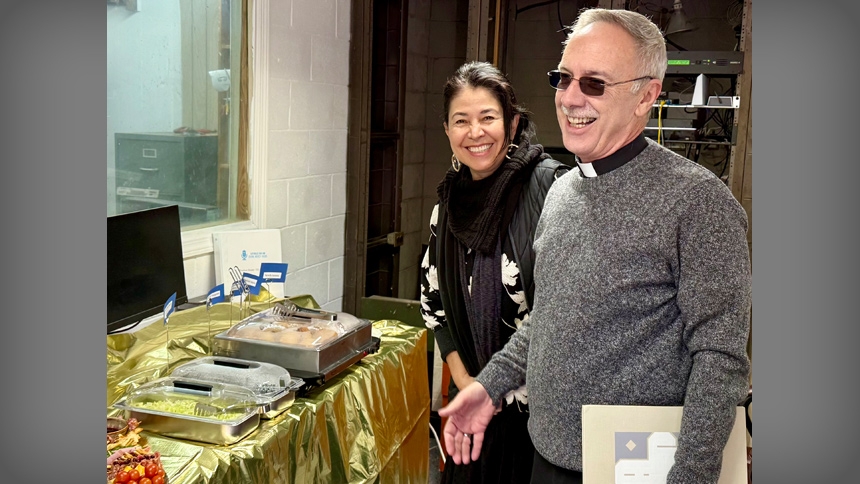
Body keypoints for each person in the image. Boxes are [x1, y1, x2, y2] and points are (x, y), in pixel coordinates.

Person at [438, 8, 751, 484]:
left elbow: (720, 358)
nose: (569, 98)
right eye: (563, 79)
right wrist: (489, 386)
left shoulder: (699, 202)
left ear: (647, 95)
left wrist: (690, 476)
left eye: (594, 84)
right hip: (546, 459)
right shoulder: (563, 191)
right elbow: (549, 319)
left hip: (638, 470)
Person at [420, 60, 570, 483]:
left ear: (512, 122)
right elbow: (433, 304)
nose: (475, 132)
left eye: (488, 117)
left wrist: (494, 386)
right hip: (470, 410)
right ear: (448, 131)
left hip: (537, 419)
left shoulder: (554, 193)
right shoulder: (448, 205)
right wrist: (467, 381)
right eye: (461, 121)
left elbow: (564, 314)